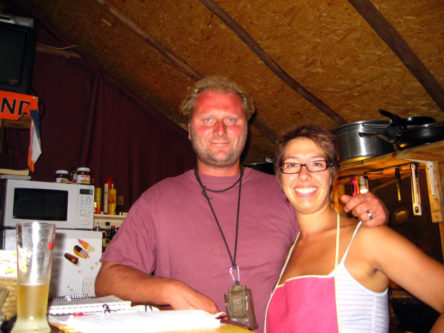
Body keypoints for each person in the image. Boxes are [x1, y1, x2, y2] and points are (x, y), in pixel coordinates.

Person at [95, 76, 388, 332]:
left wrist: (366, 220)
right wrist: (167, 289)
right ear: (189, 129)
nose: (220, 130)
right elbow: (106, 281)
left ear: (246, 129)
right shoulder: (156, 200)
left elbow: (339, 249)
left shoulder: (287, 193)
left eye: (232, 120)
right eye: (207, 119)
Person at [265, 125, 444, 332]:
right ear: (280, 177)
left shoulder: (368, 239)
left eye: (316, 163)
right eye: (292, 165)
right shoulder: (290, 251)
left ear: (332, 174)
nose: (303, 174)